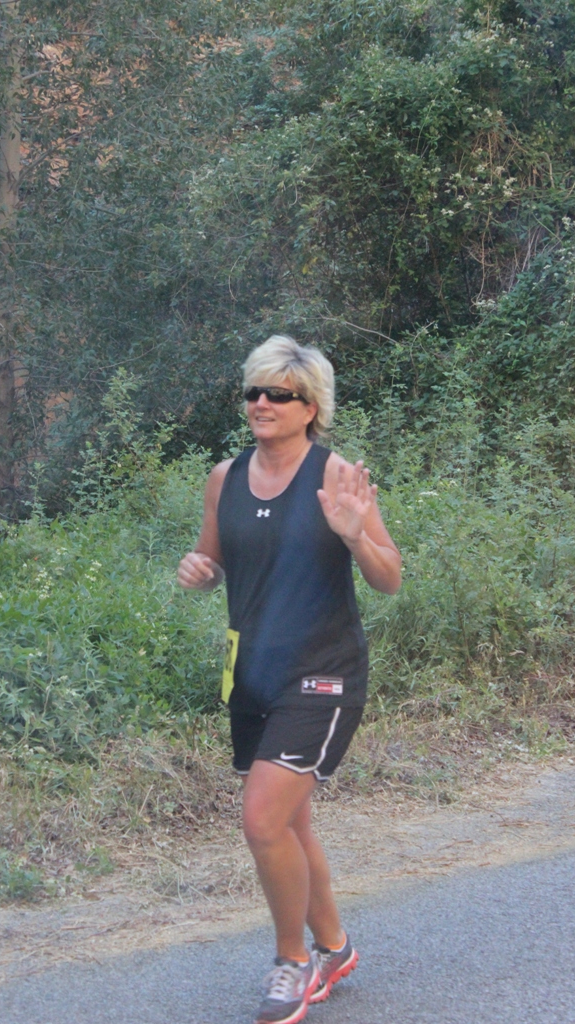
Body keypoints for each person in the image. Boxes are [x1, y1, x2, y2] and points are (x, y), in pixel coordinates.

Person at [178, 335, 401, 1024]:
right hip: (252, 671)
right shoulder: (224, 476)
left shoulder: (335, 477)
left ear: (311, 408)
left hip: (322, 670)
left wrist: (355, 531)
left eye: (279, 394)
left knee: (262, 818)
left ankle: (292, 962)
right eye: (253, 391)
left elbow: (388, 578)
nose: (261, 404)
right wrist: (198, 570)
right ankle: (333, 947)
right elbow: (213, 558)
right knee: (292, 822)